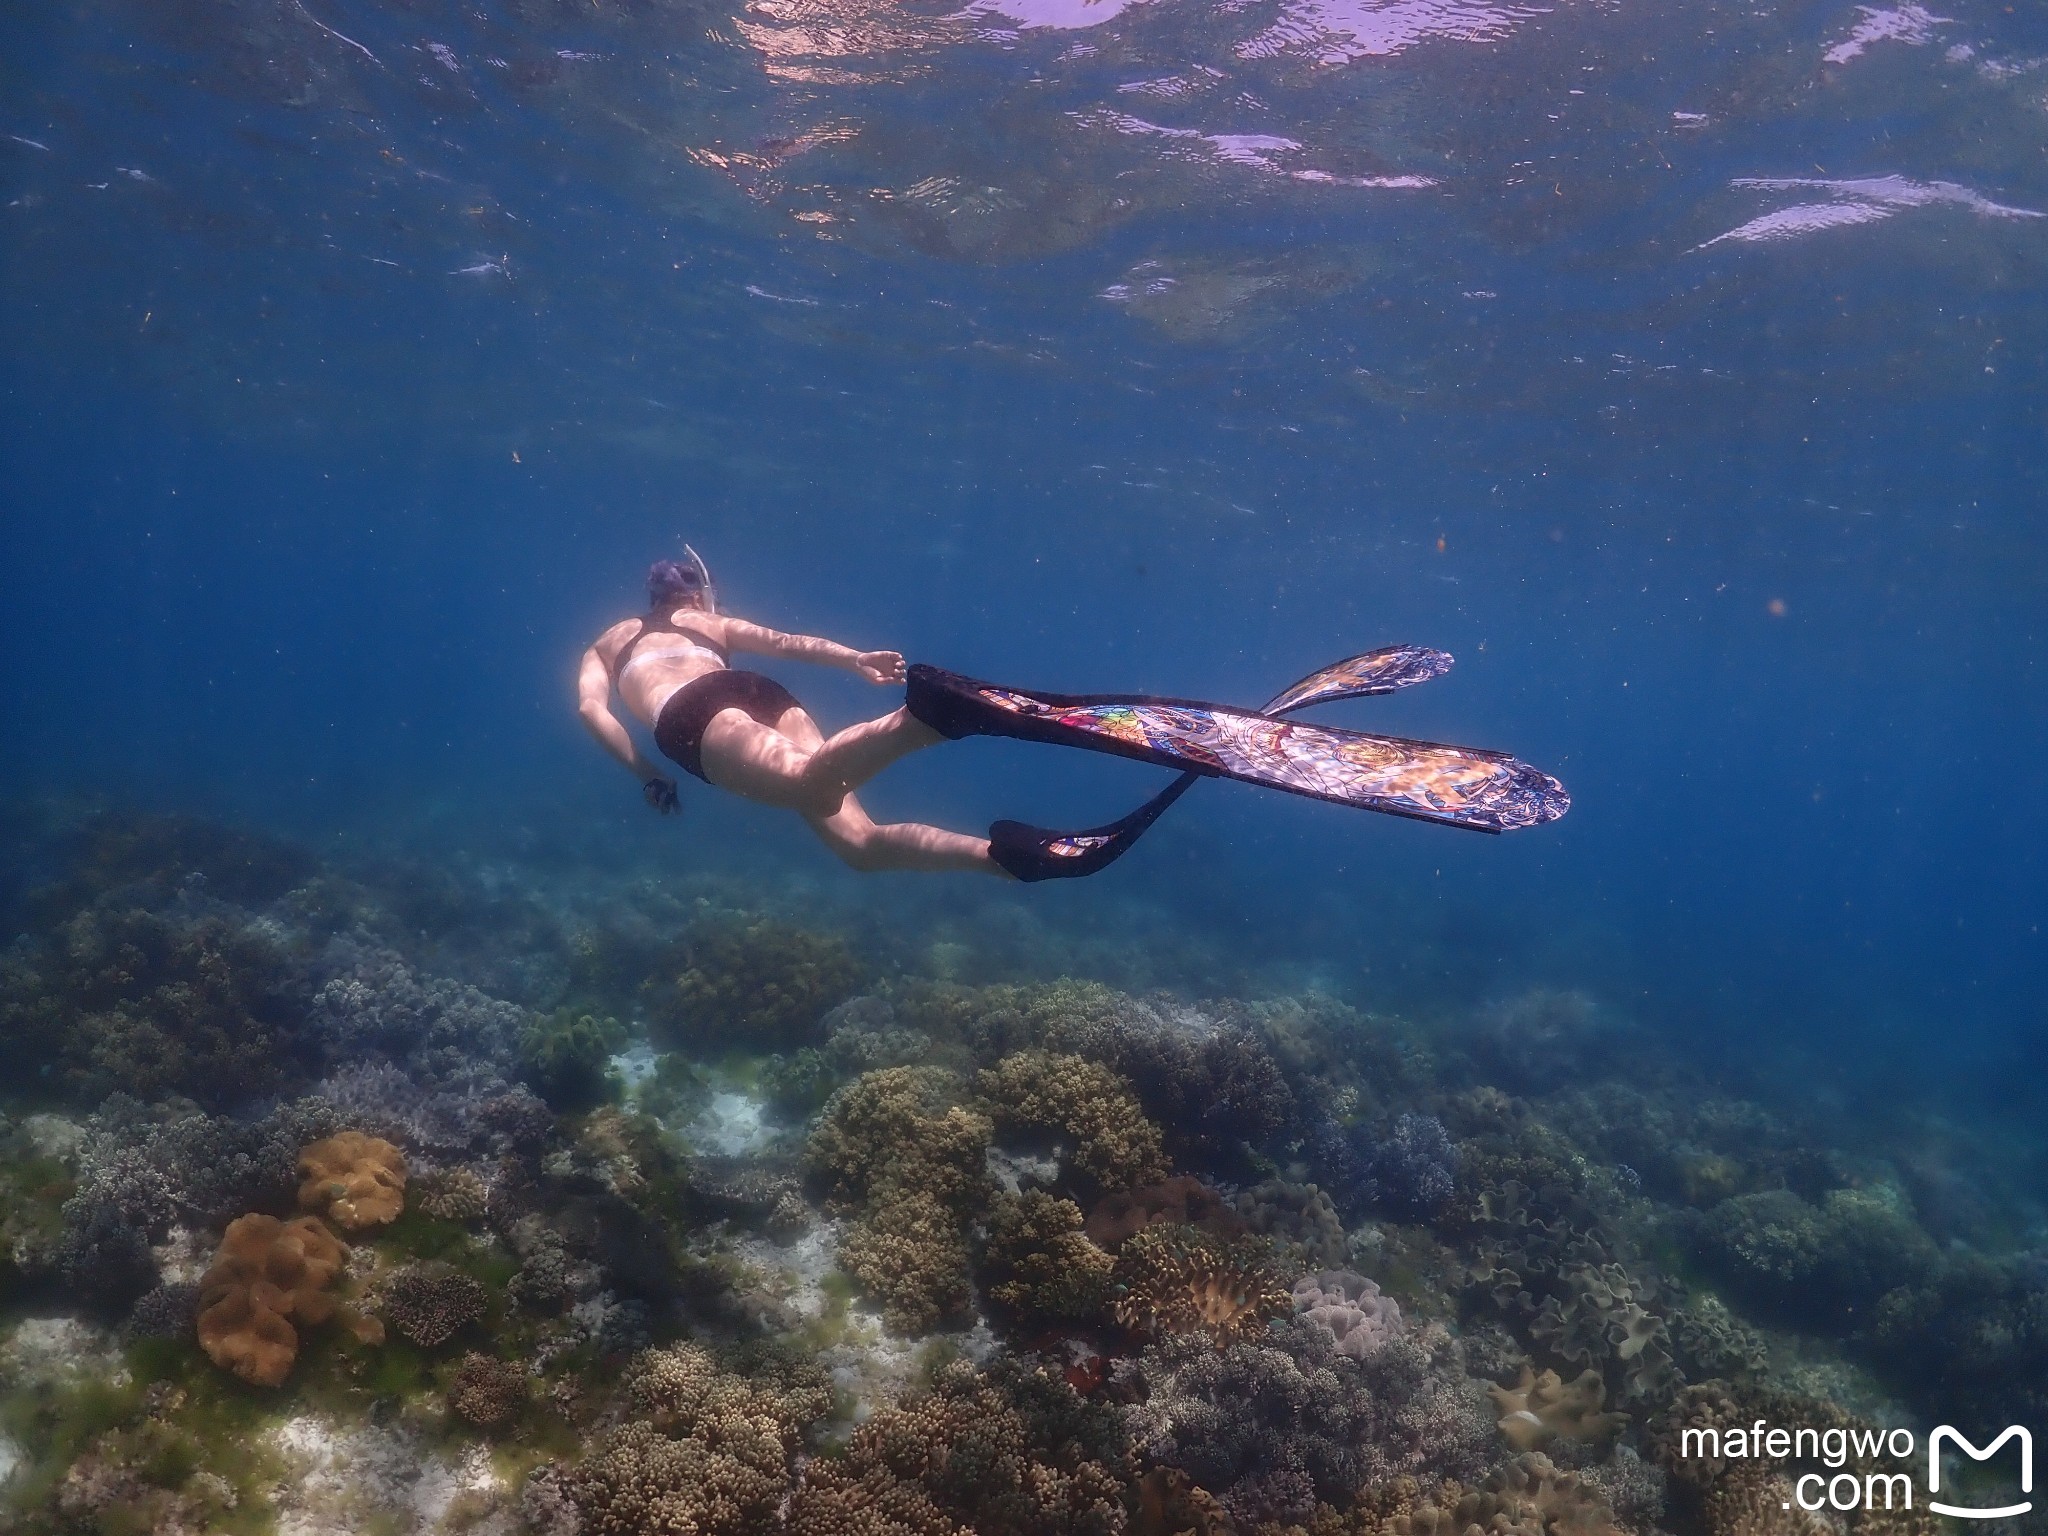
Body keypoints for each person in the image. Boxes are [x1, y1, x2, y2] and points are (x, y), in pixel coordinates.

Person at [578, 551, 1003, 875]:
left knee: (814, 789)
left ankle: (924, 720)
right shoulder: (708, 623)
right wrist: (853, 658)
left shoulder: (608, 642)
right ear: (695, 595)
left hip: (689, 712)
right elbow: (784, 642)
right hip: (754, 689)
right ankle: (1001, 858)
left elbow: (591, 708)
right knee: (860, 845)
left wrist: (648, 772)